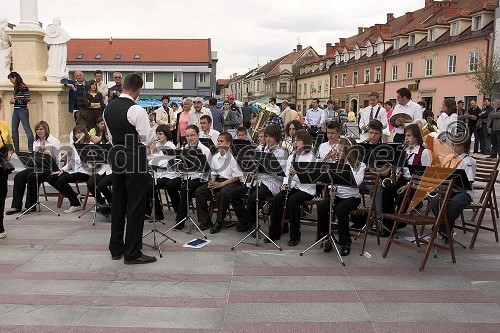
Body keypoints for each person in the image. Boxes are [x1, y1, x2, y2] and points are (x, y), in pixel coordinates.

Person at [104, 73, 156, 265]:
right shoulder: (136, 110)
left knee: (118, 202)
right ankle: (132, 252)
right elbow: (147, 138)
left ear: (123, 86)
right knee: (135, 205)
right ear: (139, 90)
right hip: (134, 157)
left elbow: (109, 136)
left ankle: (116, 248)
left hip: (116, 155)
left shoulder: (108, 108)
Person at [228, 124, 288, 232]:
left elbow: (281, 173)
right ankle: (246, 222)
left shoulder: (281, 152)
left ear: (277, 137)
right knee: (233, 194)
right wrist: (251, 169)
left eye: (271, 136)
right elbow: (253, 163)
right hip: (257, 180)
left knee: (252, 198)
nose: (268, 139)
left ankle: (253, 225)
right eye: (266, 136)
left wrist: (264, 167)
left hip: (272, 182)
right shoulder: (260, 148)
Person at [317, 137, 366, 256]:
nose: (337, 152)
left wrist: (348, 165)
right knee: (322, 206)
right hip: (337, 196)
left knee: (340, 209)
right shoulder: (337, 163)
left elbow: (357, 182)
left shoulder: (360, 165)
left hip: (352, 198)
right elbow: (331, 179)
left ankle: (345, 242)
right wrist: (330, 189)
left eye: (340, 149)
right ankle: (326, 237)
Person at [268, 129, 317, 245]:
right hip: (293, 186)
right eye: (294, 140)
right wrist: (285, 183)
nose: (295, 143)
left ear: (305, 142)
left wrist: (297, 174)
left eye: (298, 140)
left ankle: (295, 236)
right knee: (278, 199)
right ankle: (274, 233)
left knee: (292, 201)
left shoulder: (312, 158)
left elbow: (310, 180)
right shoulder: (292, 156)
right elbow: (286, 173)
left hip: (307, 189)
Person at [382, 123, 431, 235]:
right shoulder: (405, 150)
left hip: (417, 183)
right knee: (386, 191)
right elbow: (400, 170)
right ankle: (388, 224)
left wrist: (409, 185)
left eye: (409, 136)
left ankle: (400, 220)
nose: (406, 138)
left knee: (401, 196)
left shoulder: (424, 152)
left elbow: (425, 174)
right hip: (404, 180)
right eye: (405, 136)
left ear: (417, 137)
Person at [6, 121, 61, 215]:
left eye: (41, 129)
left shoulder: (54, 141)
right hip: (38, 166)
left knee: (32, 175)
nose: (39, 131)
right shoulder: (36, 142)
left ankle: (30, 205)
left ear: (46, 130)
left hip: (50, 168)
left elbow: (58, 160)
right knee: (19, 176)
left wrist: (47, 152)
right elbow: (34, 158)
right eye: (37, 130)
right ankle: (16, 206)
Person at [195, 132, 244, 232]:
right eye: (218, 141)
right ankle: (205, 220)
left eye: (221, 141)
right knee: (199, 191)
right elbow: (214, 172)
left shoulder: (233, 157)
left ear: (228, 144)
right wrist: (212, 182)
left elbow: (236, 177)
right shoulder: (216, 156)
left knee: (223, 193)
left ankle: (219, 221)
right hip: (220, 179)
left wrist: (221, 184)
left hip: (233, 182)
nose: (218, 143)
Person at [166, 124, 211, 230]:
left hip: (200, 178)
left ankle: (180, 220)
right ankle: (179, 210)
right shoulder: (184, 148)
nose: (190, 138)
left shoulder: (205, 150)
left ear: (198, 135)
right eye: (187, 136)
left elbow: (207, 170)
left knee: (185, 189)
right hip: (187, 176)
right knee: (170, 185)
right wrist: (180, 167)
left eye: (192, 135)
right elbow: (181, 165)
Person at [431, 136, 476, 243]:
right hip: (449, 190)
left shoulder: (469, 161)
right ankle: (446, 228)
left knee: (456, 202)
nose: (455, 148)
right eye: (454, 145)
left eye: (458, 146)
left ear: (465, 148)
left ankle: (442, 227)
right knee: (435, 201)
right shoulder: (449, 158)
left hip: (463, 192)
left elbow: (468, 182)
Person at [47, 125, 91, 213]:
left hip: (85, 172)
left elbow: (86, 162)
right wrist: (62, 169)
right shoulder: (74, 146)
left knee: (62, 179)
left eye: (80, 132)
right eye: (76, 133)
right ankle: (74, 195)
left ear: (85, 133)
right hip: (73, 171)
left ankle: (75, 204)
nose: (78, 135)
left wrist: (74, 155)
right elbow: (71, 163)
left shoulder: (90, 146)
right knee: (51, 178)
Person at [146, 124, 176, 221]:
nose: (158, 136)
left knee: (150, 186)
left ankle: (158, 213)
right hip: (157, 174)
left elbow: (164, 164)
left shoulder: (171, 146)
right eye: (157, 134)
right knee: (145, 183)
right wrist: (152, 151)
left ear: (166, 134)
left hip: (169, 174)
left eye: (160, 134)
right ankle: (150, 211)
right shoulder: (157, 146)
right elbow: (150, 161)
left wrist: (155, 157)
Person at [7, 72, 34, 152]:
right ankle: (16, 149)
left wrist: (15, 101)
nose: (11, 81)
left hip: (22, 110)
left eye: (11, 79)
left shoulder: (23, 86)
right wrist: (15, 101)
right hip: (16, 110)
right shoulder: (16, 87)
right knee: (14, 129)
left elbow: (27, 99)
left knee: (27, 129)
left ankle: (31, 148)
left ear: (14, 77)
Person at [0, 97, 13, 239]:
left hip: (1, 165)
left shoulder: (3, 124)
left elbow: (9, 142)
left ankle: (0, 225)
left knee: (1, 195)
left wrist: (10, 152)